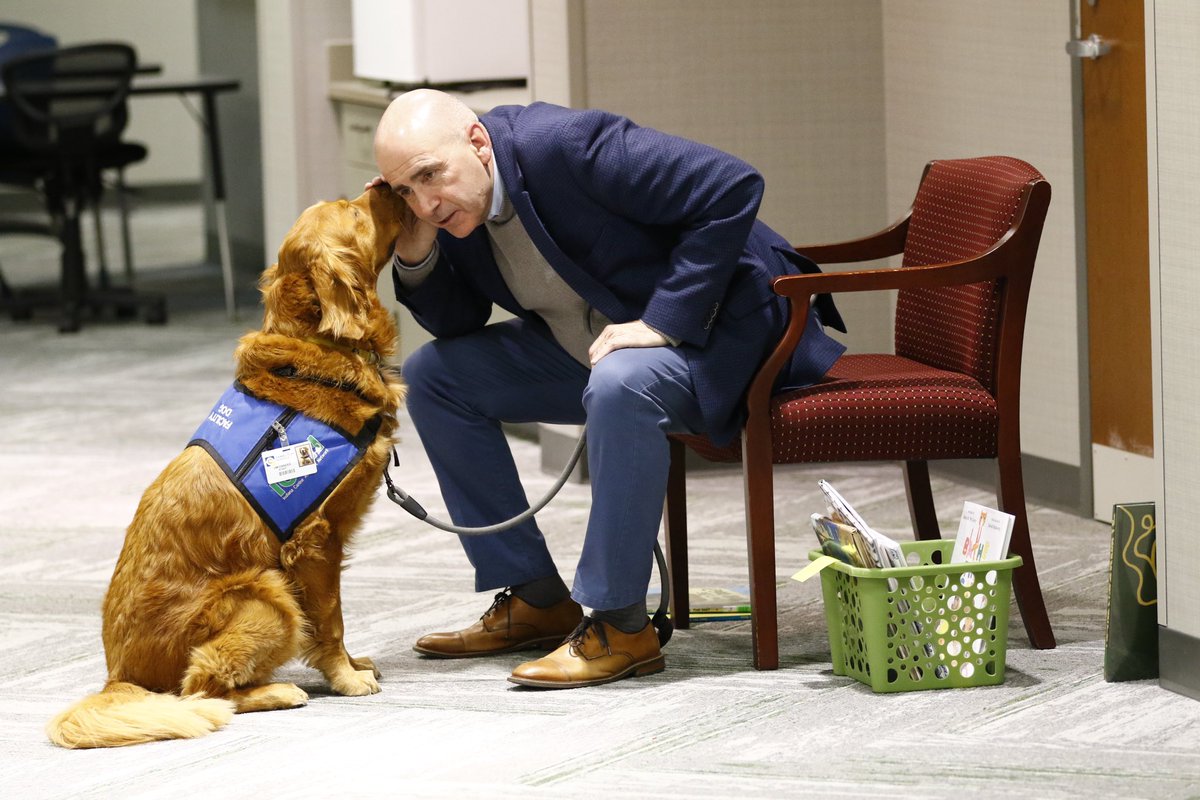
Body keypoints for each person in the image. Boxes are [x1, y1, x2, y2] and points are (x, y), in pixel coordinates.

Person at [372, 90, 846, 689]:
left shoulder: (564, 147)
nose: (424, 202)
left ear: (477, 143)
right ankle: (537, 595)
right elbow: (457, 322)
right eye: (404, 192)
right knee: (437, 377)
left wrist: (665, 321)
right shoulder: (452, 208)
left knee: (622, 385)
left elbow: (731, 185)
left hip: (718, 335)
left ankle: (622, 625)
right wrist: (415, 255)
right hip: (596, 345)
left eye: (429, 177)